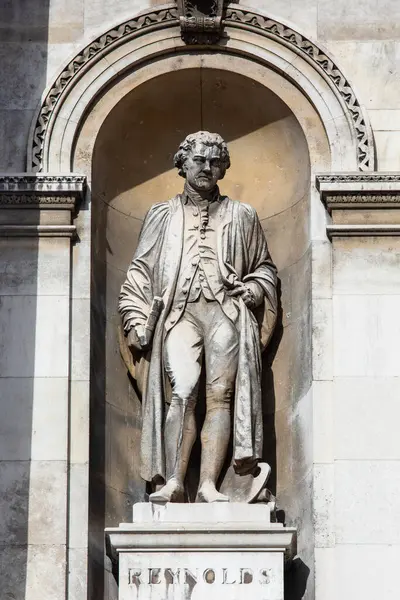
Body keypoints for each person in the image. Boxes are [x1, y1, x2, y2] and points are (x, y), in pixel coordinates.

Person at [119, 131, 277, 503]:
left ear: (222, 167)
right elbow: (139, 273)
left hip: (226, 312)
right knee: (184, 389)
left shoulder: (242, 215)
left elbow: (264, 270)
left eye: (214, 161)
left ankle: (207, 484)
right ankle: (174, 480)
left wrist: (253, 290)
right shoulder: (161, 215)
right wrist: (138, 320)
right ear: (182, 164)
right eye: (199, 160)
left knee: (221, 395)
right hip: (179, 313)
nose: (206, 167)